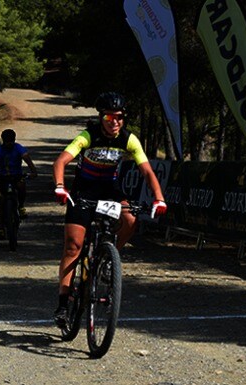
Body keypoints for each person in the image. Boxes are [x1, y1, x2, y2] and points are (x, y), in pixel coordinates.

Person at [51, 91, 167, 327]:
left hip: (110, 189)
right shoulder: (88, 135)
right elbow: (61, 161)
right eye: (109, 118)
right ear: (100, 117)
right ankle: (63, 305)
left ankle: (107, 259)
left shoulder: (128, 139)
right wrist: (60, 187)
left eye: (119, 117)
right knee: (73, 247)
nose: (114, 122)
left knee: (131, 219)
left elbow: (146, 170)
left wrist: (159, 198)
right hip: (83, 190)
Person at [0, 129, 38, 239]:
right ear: (3, 141)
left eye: (11, 141)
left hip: (17, 176)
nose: (9, 144)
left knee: (21, 186)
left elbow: (27, 159)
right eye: (7, 141)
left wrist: (33, 171)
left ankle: (21, 206)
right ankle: (1, 228)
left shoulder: (18, 148)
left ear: (14, 140)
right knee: (2, 203)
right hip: (4, 178)